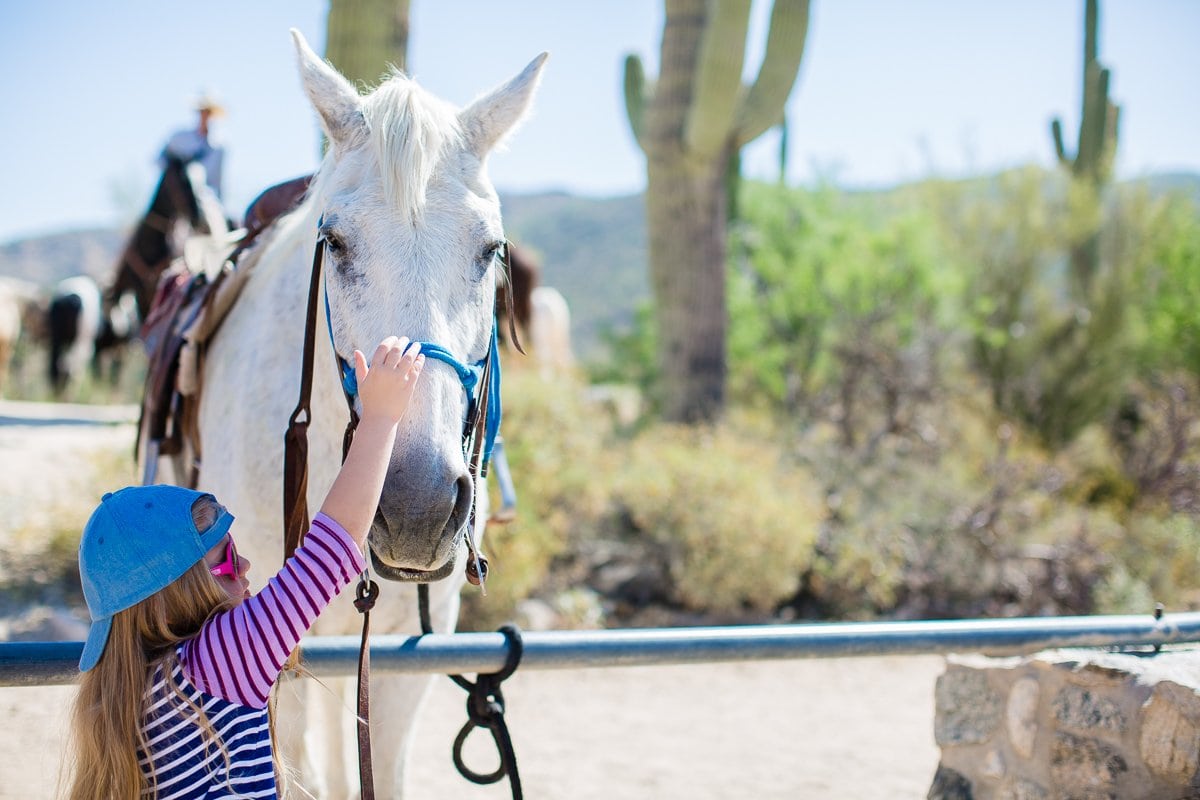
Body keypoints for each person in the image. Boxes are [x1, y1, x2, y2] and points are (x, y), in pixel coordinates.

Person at [66, 336, 425, 800]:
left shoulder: (120, 699)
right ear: (181, 588)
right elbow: (331, 550)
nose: (247, 564)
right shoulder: (218, 662)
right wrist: (380, 418)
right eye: (229, 559)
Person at [160, 90, 227, 200]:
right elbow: (159, 160)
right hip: (173, 195)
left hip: (204, 198)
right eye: (202, 111)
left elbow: (217, 181)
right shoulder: (179, 138)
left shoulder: (219, 147)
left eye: (208, 112)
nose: (204, 116)